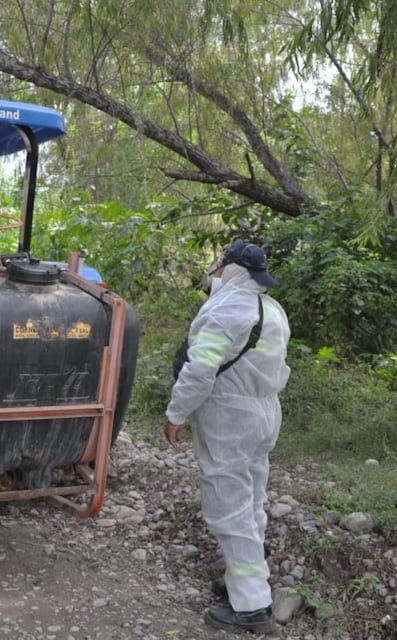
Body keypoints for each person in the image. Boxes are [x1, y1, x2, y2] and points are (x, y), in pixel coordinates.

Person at [164, 239, 291, 634]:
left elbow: (200, 370)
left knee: (228, 507)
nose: (215, 275)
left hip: (230, 418)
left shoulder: (224, 310)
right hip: (265, 413)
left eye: (219, 268)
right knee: (251, 498)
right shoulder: (273, 310)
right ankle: (247, 579)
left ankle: (252, 607)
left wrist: (176, 413)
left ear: (230, 270)